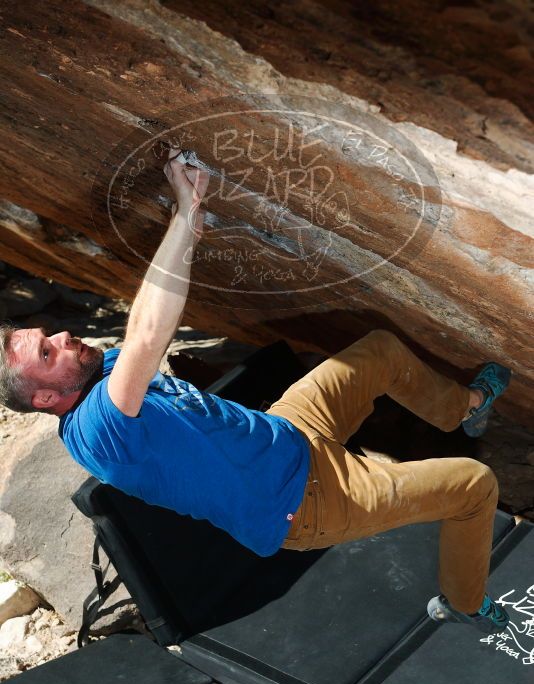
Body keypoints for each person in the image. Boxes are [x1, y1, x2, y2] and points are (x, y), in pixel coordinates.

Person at [0, 149, 511, 635]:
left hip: (291, 431)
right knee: (474, 484)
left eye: (48, 335)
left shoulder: (97, 368)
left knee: (379, 351)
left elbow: (160, 303)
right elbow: (147, 333)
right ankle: (463, 604)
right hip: (308, 505)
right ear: (46, 399)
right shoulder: (98, 433)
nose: (63, 338)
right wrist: (184, 209)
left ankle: (463, 409)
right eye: (48, 354)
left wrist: (193, 217)